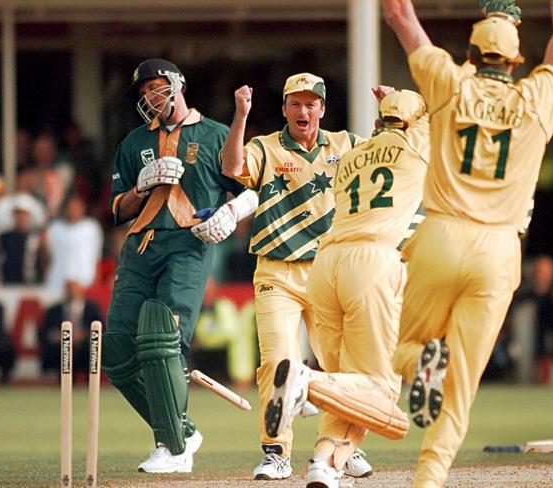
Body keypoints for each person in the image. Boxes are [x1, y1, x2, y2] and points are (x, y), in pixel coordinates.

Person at [378, 1, 553, 486]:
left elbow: (399, 16)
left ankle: (420, 362)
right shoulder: (539, 97)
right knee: (462, 388)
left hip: (442, 236)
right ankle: (428, 479)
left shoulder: (450, 83)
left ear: (470, 52)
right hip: (497, 250)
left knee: (397, 349)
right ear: (515, 61)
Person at [263, 89, 430, 487]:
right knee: (380, 390)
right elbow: (437, 112)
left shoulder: (353, 156)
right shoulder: (415, 144)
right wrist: (403, 104)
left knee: (349, 386)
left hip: (327, 264)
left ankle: (325, 463)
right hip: (372, 264)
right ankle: (306, 382)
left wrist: (391, 109)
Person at [103, 58, 258, 474]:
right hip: (140, 246)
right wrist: (143, 184)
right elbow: (118, 209)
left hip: (189, 242)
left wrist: (229, 216)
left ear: (176, 84)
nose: (150, 96)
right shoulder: (134, 142)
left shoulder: (215, 134)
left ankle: (172, 447)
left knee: (161, 338)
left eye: (156, 86)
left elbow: (249, 190)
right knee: (116, 349)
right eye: (144, 92)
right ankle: (183, 429)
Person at [221, 73, 371, 481]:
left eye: (311, 104)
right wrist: (240, 116)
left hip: (329, 273)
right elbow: (232, 166)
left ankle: (341, 446)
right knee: (277, 362)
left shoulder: (347, 144)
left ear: (322, 108)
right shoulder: (265, 147)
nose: (303, 111)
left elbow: (386, 163)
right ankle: (276, 453)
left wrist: (391, 118)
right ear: (285, 108)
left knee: (340, 366)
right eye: (295, 104)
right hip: (276, 272)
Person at [39, 280, 104, 380]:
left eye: (74, 290)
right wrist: (57, 336)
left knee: (90, 351)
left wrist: (84, 334)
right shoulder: (54, 310)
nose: (71, 293)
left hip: (85, 348)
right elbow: (45, 331)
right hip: (61, 348)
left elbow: (101, 329)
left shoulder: (92, 308)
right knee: (58, 352)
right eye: (68, 290)